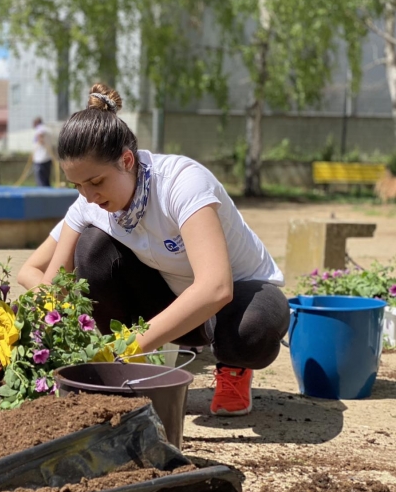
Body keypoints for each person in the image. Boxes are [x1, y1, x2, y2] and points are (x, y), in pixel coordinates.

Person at [37, 83, 290, 417]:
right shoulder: (90, 201)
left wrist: (130, 345)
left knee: (251, 331)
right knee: (93, 249)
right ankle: (129, 372)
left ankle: (232, 367)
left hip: (236, 301)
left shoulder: (182, 183)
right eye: (77, 186)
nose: (88, 196)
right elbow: (55, 285)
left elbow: (216, 287)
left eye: (96, 182)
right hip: (172, 303)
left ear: (126, 160)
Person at [32, 117, 54, 187]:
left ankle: (42, 196)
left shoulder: (40, 128)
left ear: (36, 123)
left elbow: (40, 133)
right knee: (46, 180)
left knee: (41, 181)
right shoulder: (48, 129)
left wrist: (40, 139)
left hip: (40, 159)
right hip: (47, 158)